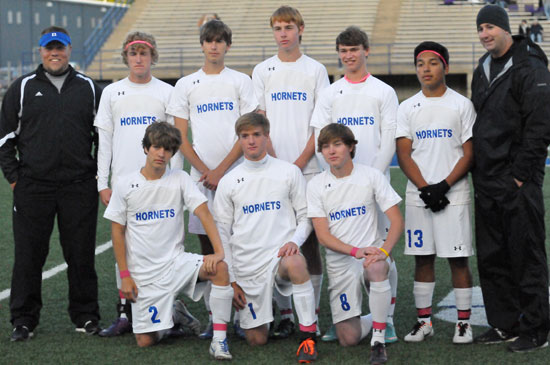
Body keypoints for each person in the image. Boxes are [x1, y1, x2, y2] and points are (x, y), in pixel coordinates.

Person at [0, 26, 102, 341]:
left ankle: (86, 315)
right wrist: (16, 178)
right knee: (29, 255)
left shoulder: (89, 88)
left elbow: (104, 140)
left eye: (60, 47)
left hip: (78, 186)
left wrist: (95, 175)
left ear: (70, 50)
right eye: (49, 48)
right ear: (40, 51)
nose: (54, 53)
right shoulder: (22, 88)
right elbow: (5, 140)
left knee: (81, 253)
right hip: (33, 187)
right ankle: (24, 320)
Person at [94, 31, 197, 338]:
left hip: (161, 184)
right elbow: (105, 141)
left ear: (153, 57)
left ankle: (171, 306)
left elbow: (174, 141)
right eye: (133, 53)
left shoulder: (167, 91)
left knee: (164, 244)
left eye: (144, 53)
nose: (139, 58)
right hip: (125, 184)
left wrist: (174, 180)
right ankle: (125, 310)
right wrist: (103, 182)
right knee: (124, 242)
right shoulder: (112, 93)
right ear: (126, 57)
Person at [103, 122, 234, 359]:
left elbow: (204, 212)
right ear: (145, 148)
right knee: (145, 341)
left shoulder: (180, 178)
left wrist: (218, 252)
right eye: (156, 147)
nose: (162, 154)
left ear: (173, 153)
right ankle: (176, 316)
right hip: (144, 275)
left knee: (221, 269)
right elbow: (117, 232)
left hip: (176, 264)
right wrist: (125, 276)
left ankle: (219, 340)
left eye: (168, 149)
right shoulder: (125, 183)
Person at [167, 19, 258, 339]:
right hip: (200, 180)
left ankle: (250, 313)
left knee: (243, 243)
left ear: (228, 45)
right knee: (210, 251)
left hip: (237, 175)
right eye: (209, 41)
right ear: (202, 44)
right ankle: (215, 317)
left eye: (220, 41)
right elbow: (180, 136)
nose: (214, 46)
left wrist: (221, 170)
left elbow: (248, 130)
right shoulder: (186, 84)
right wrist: (206, 171)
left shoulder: (241, 81)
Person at [310, 26, 399, 343]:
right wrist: (337, 175)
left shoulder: (383, 91)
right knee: (345, 251)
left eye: (354, 49)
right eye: (343, 50)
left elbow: (389, 139)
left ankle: (385, 320)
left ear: (366, 50)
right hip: (339, 185)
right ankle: (348, 316)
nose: (349, 56)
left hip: (376, 183)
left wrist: (370, 179)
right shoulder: (330, 93)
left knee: (380, 253)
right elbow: (320, 137)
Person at [472, 4, 550, 352]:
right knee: (493, 257)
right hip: (487, 180)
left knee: (526, 255)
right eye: (481, 28)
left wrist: (520, 175)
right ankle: (506, 323)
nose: (485, 33)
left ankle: (537, 329)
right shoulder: (483, 68)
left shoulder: (529, 65)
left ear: (506, 29)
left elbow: (540, 124)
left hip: (516, 181)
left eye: (490, 26)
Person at [213, 112, 319, 363]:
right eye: (245, 136)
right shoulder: (228, 182)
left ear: (266, 137)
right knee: (256, 340)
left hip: (280, 257)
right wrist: (233, 279)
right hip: (247, 265)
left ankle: (308, 337)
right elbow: (222, 233)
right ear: (238, 140)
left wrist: (295, 242)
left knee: (296, 261)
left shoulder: (288, 172)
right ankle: (268, 307)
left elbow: (306, 216)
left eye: (256, 135)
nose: (251, 141)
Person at [251, 6, 329, 339]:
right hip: (273, 170)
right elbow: (260, 121)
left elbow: (320, 123)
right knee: (275, 241)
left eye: (289, 27)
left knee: (309, 245)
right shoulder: (263, 70)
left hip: (308, 170)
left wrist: (297, 163)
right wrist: (277, 162)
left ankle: (311, 316)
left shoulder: (316, 70)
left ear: (301, 29)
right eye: (278, 28)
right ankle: (284, 315)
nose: (283, 33)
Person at [396, 42, 476, 345]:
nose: (425, 69)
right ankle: (424, 321)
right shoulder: (407, 107)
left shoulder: (461, 105)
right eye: (420, 63)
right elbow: (404, 154)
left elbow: (469, 153)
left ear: (445, 66)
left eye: (432, 63)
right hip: (420, 197)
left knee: (458, 259)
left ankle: (463, 323)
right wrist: (426, 188)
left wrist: (443, 186)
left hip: (454, 195)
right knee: (422, 258)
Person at [307, 124, 403, 365]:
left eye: (337, 144)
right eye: (326, 146)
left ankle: (379, 340)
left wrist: (383, 252)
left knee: (376, 266)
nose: (331, 151)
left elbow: (396, 220)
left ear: (351, 147)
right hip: (341, 262)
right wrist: (354, 251)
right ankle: (374, 314)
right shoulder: (316, 185)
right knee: (347, 338)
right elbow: (323, 236)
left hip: (373, 257)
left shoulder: (371, 176)